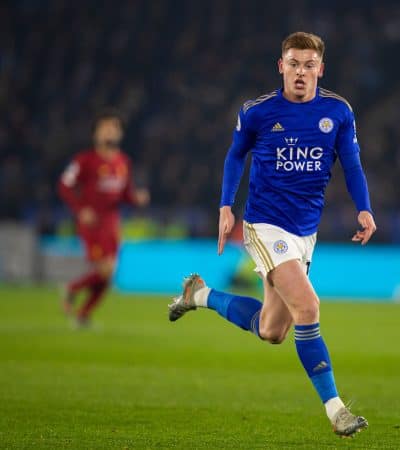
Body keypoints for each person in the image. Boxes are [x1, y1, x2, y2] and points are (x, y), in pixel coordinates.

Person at [168, 32, 376, 437]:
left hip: (305, 232)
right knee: (309, 308)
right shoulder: (258, 111)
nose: (301, 72)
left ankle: (199, 295)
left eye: (309, 65)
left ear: (321, 68)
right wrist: (226, 205)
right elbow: (235, 155)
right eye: (294, 64)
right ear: (281, 66)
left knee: (272, 330)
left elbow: (351, 164)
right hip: (264, 225)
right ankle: (337, 412)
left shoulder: (338, 111)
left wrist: (364, 207)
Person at [58, 110, 149, 326]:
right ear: (96, 134)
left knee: (108, 273)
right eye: (106, 127)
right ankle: (71, 289)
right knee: (106, 269)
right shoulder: (84, 160)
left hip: (111, 222)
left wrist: (136, 198)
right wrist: (81, 209)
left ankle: (83, 315)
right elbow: (65, 185)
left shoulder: (123, 162)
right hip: (92, 222)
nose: (110, 131)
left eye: (114, 127)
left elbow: (124, 194)